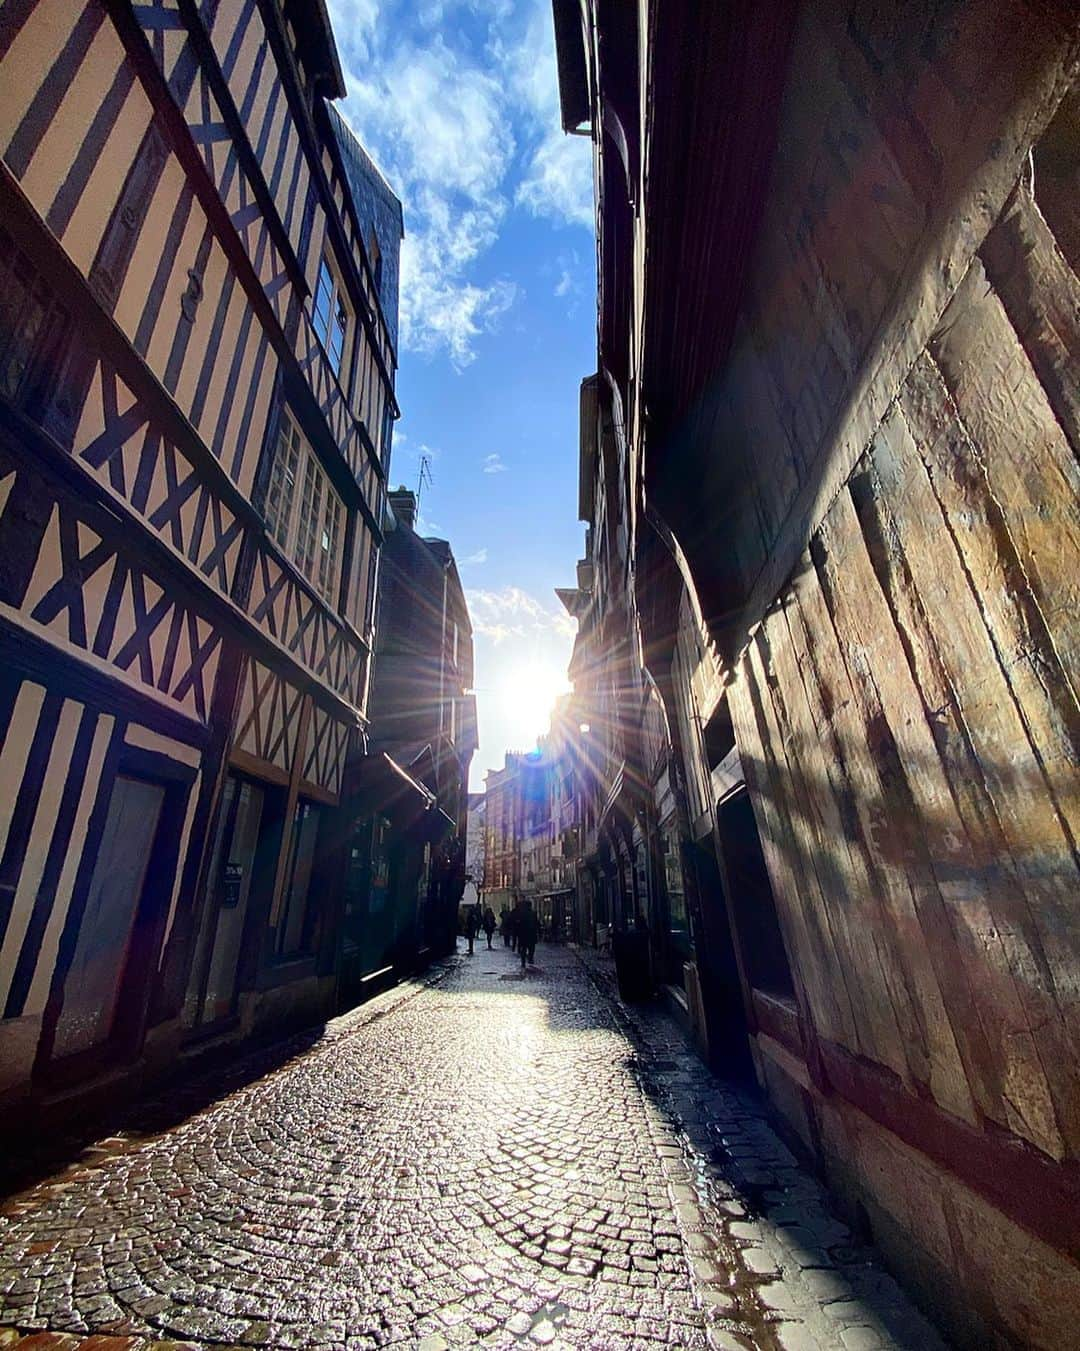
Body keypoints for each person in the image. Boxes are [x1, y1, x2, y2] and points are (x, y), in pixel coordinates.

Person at [518, 898, 538, 969]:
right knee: (531, 948)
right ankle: (530, 958)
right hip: (531, 934)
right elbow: (536, 924)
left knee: (524, 948)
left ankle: (523, 962)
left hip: (524, 934)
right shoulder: (533, 913)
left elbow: (519, 924)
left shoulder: (521, 914)